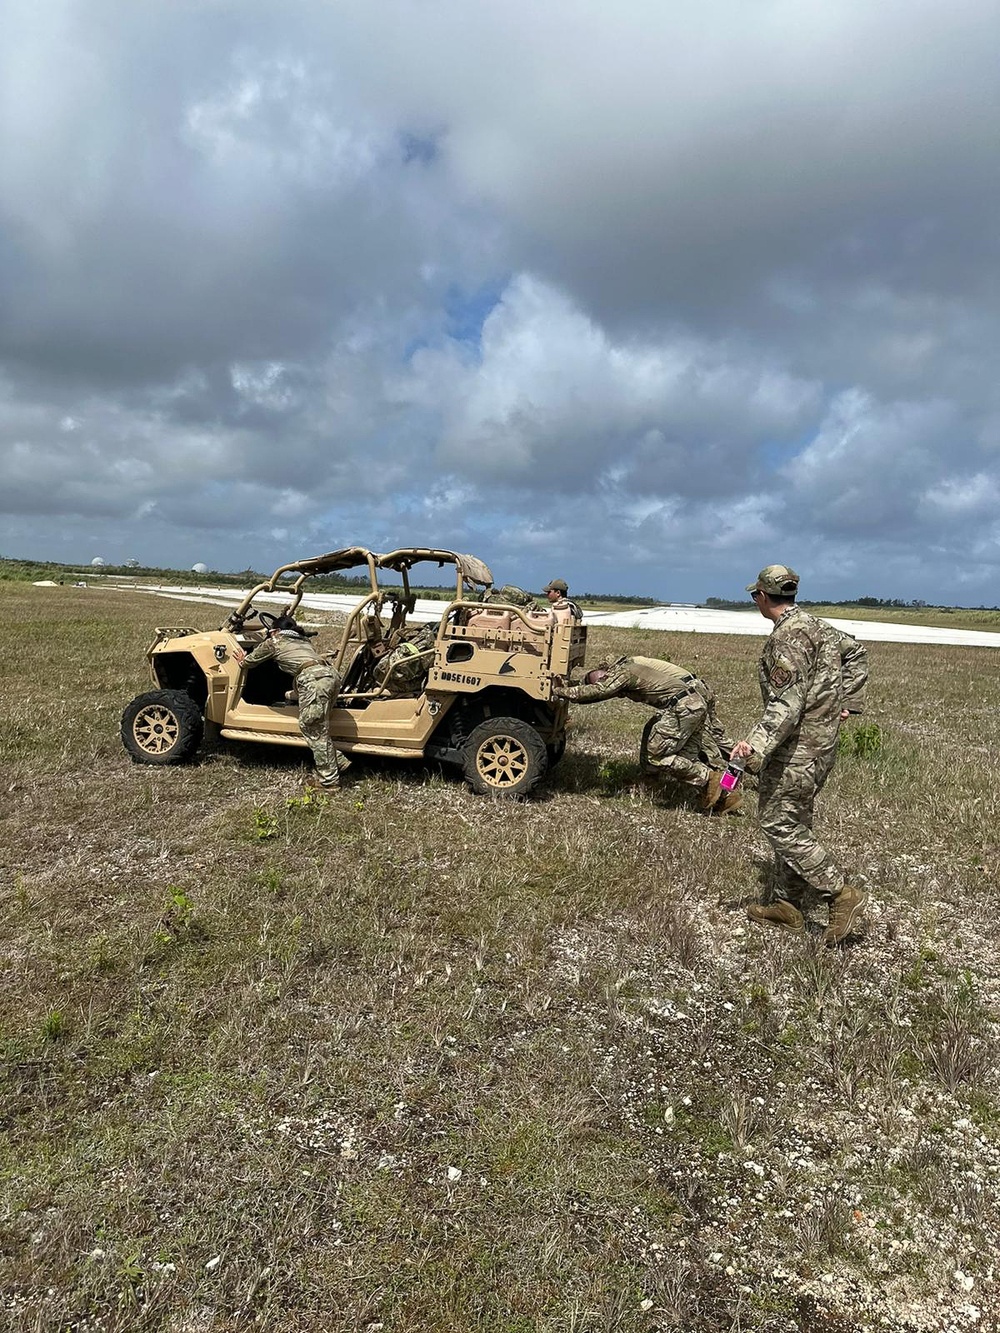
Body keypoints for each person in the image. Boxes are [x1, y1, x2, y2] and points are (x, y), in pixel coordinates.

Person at [730, 565, 869, 945]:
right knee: (795, 819)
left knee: (779, 823)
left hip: (798, 749)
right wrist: (846, 701)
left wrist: (754, 746)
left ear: (761, 597)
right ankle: (787, 905)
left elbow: (786, 705)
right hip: (822, 743)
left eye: (754, 596)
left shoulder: (788, 638)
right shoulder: (818, 626)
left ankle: (840, 895)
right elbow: (856, 652)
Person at [554, 656, 740, 812]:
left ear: (606, 672)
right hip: (693, 703)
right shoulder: (628, 668)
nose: (602, 682)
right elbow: (598, 691)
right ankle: (727, 797)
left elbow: (597, 691)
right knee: (683, 755)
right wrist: (570, 686)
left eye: (600, 678)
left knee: (658, 756)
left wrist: (558, 691)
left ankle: (714, 776)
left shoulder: (623, 672)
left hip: (685, 707)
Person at [234, 612, 345, 790]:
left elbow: (250, 661)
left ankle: (329, 781)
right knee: (319, 726)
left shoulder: (275, 641)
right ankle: (338, 761)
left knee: (312, 727)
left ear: (276, 631)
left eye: (271, 632)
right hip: (331, 677)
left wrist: (242, 659)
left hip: (314, 681)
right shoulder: (303, 640)